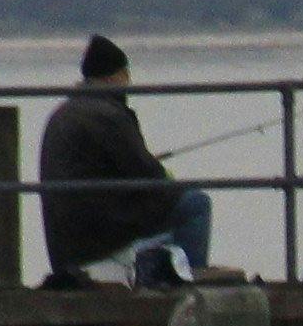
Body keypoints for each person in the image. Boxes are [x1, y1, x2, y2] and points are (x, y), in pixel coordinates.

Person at [39, 36, 218, 285]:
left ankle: (164, 274)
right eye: (126, 75)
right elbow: (148, 176)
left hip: (66, 243)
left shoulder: (64, 113)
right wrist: (168, 180)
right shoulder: (109, 114)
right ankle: (186, 290)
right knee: (196, 205)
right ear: (117, 75)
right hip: (101, 237)